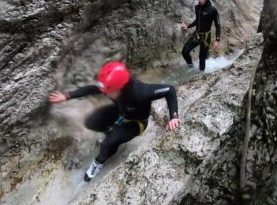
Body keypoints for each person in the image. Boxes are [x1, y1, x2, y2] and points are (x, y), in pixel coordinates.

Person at [49, 62, 181, 182]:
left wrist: (174, 117)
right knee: (91, 122)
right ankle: (110, 134)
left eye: (108, 92)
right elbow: (91, 89)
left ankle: (100, 161)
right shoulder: (110, 86)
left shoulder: (141, 91)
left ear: (120, 87)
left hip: (137, 122)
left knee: (107, 144)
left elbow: (169, 90)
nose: (105, 93)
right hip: (120, 112)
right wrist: (66, 96)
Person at [181, 0, 220, 71]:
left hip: (206, 37)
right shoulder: (198, 8)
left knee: (202, 58)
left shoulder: (213, 10)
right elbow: (198, 20)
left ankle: (201, 75)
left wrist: (217, 40)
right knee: (184, 51)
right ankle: (191, 67)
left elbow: (218, 25)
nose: (200, 0)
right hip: (197, 35)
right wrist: (188, 26)